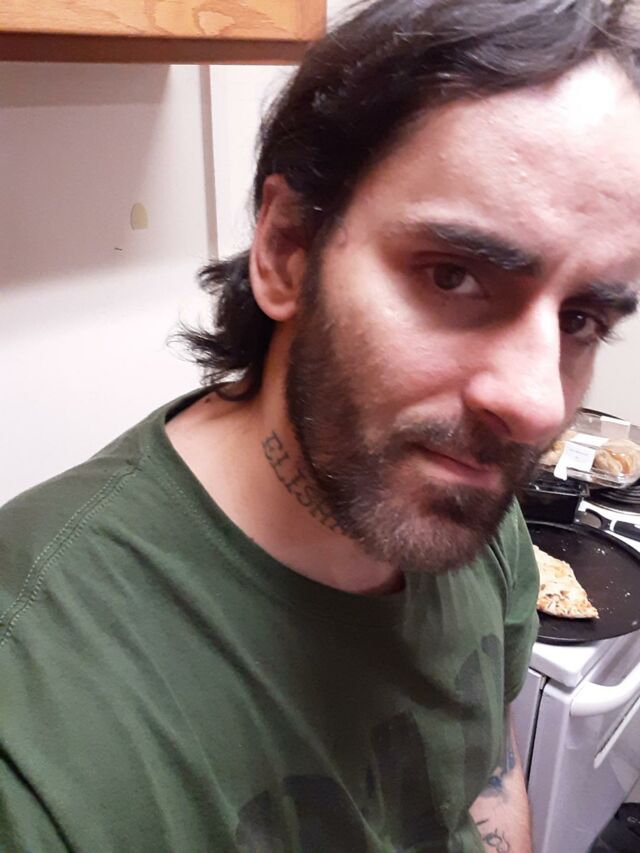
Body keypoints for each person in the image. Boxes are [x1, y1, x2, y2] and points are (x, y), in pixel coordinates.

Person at [2, 0, 640, 850]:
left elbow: (489, 773)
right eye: (452, 275)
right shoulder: (34, 707)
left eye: (580, 320)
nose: (536, 405)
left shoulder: (476, 510)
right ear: (286, 250)